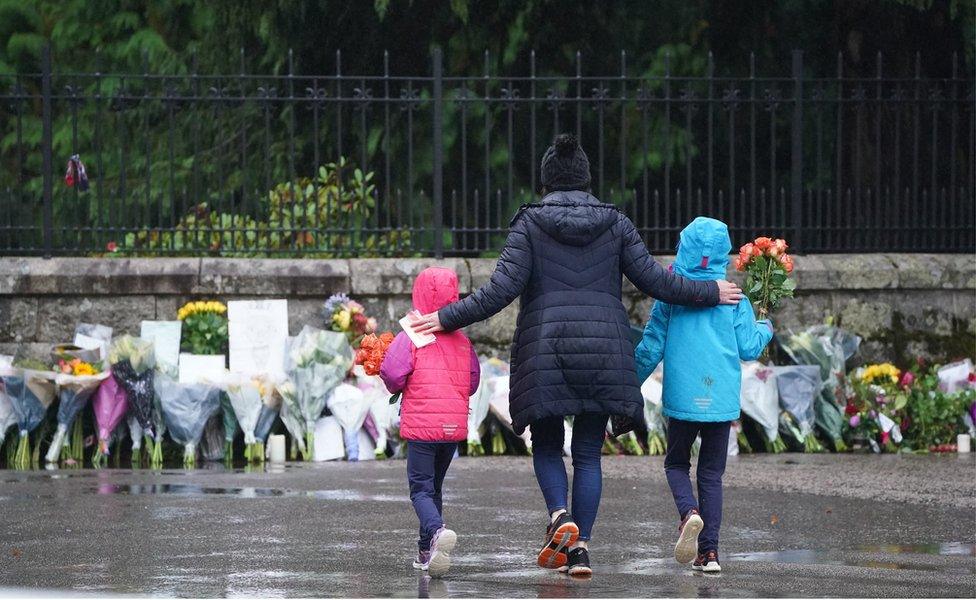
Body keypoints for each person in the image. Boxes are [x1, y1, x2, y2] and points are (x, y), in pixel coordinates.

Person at [411, 134, 744, 577]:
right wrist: (710, 290)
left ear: (546, 181)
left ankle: (558, 516)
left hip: (546, 350)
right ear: (587, 179)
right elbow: (657, 282)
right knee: (588, 453)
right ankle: (579, 549)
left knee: (547, 445)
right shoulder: (616, 223)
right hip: (604, 351)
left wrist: (445, 318)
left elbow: (499, 291)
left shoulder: (529, 224)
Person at [634, 216, 773, 574]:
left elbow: (650, 346)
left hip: (682, 397)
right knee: (711, 475)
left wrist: (628, 381)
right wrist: (766, 326)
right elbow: (748, 349)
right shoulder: (734, 297)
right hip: (722, 399)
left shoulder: (672, 296)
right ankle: (709, 554)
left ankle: (688, 512)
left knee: (677, 464)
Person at [380, 266, 481, 577]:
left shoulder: (411, 334)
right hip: (451, 429)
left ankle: (436, 531)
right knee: (434, 486)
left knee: (420, 489)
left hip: (423, 428)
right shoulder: (462, 340)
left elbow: (393, 374)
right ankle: (427, 550)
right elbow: (473, 381)